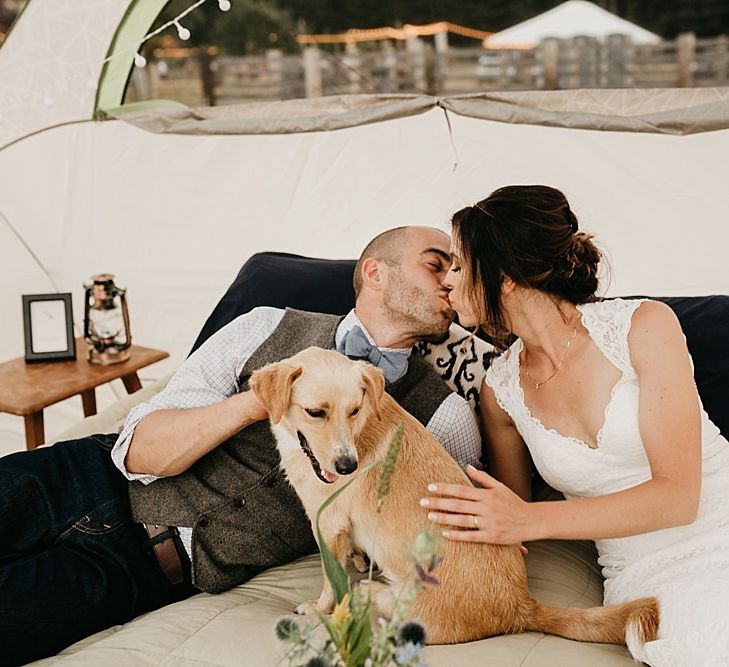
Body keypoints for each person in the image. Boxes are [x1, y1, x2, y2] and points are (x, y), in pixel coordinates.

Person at [0, 226, 481, 666]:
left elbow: (445, 536)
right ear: (375, 272)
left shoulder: (445, 417)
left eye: (458, 273)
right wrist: (262, 402)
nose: (450, 282)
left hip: (145, 569)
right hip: (81, 475)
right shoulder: (265, 325)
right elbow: (141, 452)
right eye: (436, 264)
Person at [422, 185, 729, 665]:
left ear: (502, 275)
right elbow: (510, 514)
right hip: (643, 572)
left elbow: (678, 497)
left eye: (459, 265)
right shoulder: (498, 392)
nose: (449, 283)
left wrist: (532, 520)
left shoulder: (644, 326)